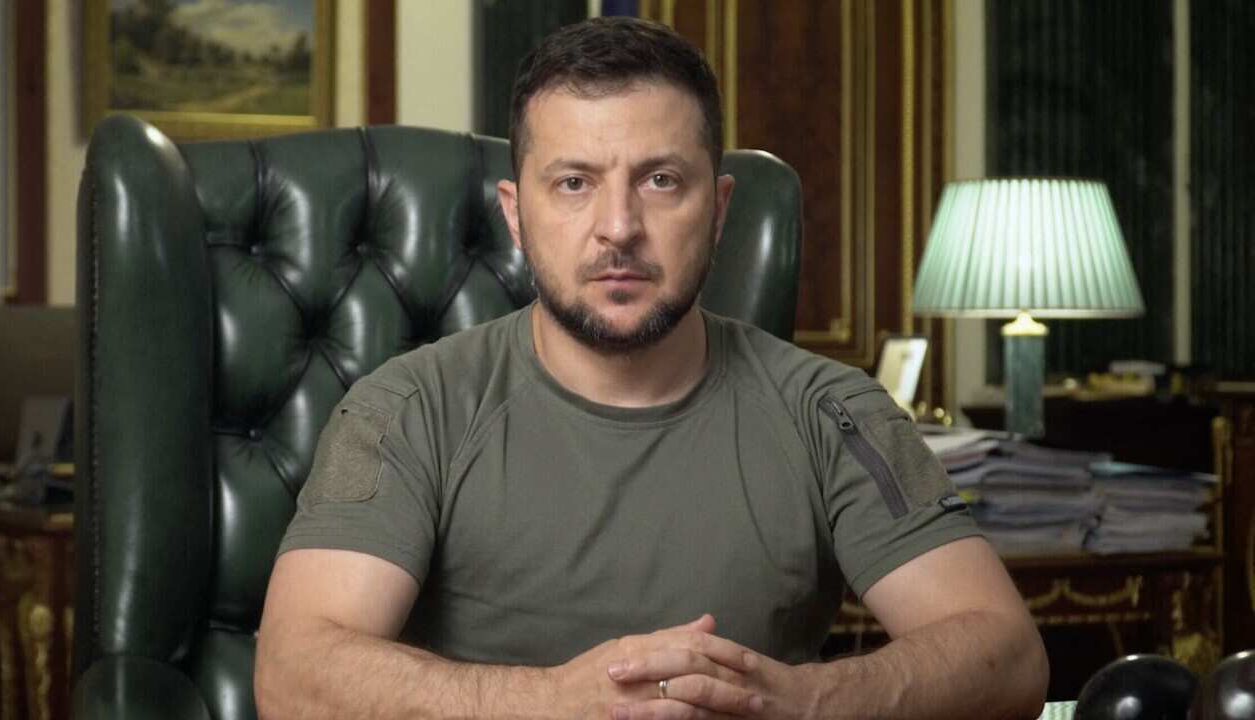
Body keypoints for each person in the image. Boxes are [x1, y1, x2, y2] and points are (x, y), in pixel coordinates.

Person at [255, 16, 1048, 720]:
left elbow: (1008, 657)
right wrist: (552, 704)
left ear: (721, 208)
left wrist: (801, 701)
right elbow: (293, 678)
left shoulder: (834, 408)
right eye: (574, 183)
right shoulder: (406, 406)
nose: (618, 228)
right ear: (515, 216)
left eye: (661, 180)